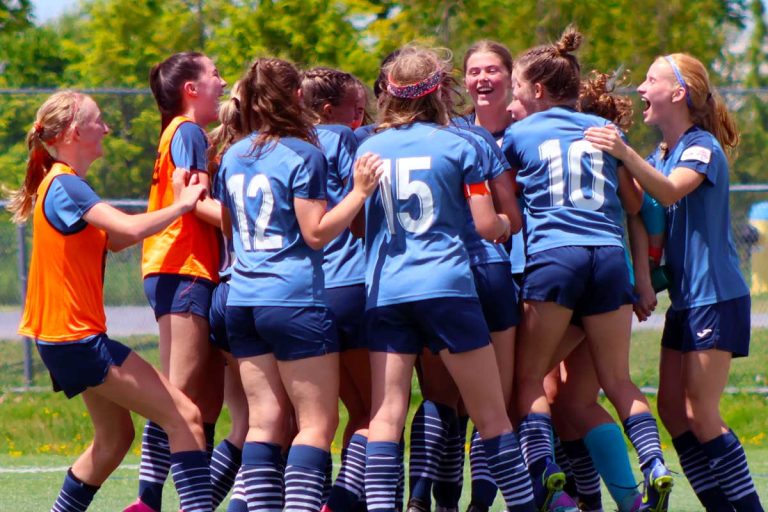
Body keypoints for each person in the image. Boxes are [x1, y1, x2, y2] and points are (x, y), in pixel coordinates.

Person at [10, 91, 211, 512]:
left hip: (65, 340)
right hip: (77, 340)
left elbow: (118, 238)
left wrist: (172, 206)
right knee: (186, 418)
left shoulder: (67, 184)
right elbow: (129, 227)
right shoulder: (65, 183)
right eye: (98, 121)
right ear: (73, 132)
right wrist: (182, 204)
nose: (106, 128)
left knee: (115, 439)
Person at [358, 45, 536, 512]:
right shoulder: (460, 144)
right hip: (447, 288)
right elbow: (486, 224)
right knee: (492, 415)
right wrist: (504, 226)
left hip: (386, 290)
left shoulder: (369, 145)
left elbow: (359, 223)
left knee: (386, 414)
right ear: (438, 89)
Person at [585, 52, 764, 512]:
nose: (641, 89)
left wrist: (622, 152)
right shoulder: (657, 155)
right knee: (670, 409)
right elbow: (640, 215)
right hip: (686, 301)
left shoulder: (701, 146)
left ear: (679, 93)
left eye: (650, 80)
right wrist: (643, 282)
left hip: (717, 296)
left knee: (702, 414)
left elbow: (666, 192)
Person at [504, 27, 673, 512]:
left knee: (528, 377)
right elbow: (635, 202)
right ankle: (654, 467)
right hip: (607, 259)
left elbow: (504, 196)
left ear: (537, 90)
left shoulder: (518, 134)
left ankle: (544, 470)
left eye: (517, 87)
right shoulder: (604, 131)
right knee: (617, 380)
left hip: (556, 258)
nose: (515, 97)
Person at [217, 57, 381, 512]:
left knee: (264, 422)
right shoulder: (304, 152)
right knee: (317, 423)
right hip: (292, 300)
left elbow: (229, 227)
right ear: (294, 97)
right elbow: (316, 232)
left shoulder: (234, 154)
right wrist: (359, 193)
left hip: (243, 300)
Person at [129, 51, 228, 512]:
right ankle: (147, 500)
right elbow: (190, 197)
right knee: (178, 392)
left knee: (205, 400)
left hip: (182, 268)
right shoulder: (187, 131)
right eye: (213, 75)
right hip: (181, 266)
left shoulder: (182, 132)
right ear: (191, 88)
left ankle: (198, 496)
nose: (222, 81)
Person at [300, 66, 371, 512]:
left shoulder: (282, 145)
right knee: (374, 412)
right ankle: (340, 502)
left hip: (304, 292)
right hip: (349, 282)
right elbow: (359, 214)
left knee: (312, 418)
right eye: (357, 111)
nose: (362, 119)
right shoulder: (342, 139)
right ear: (328, 111)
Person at [204, 81, 250, 512]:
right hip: (253, 290)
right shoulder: (258, 157)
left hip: (225, 289)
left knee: (247, 422)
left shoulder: (221, 157)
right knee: (275, 422)